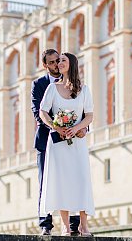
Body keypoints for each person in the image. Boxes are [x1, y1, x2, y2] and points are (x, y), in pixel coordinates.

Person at [31, 49, 86, 236]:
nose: (56, 65)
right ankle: (45, 225)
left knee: (73, 179)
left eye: (58, 61)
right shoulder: (39, 84)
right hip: (47, 139)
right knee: (45, 181)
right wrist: (58, 126)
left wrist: (81, 128)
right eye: (52, 62)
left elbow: (83, 111)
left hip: (73, 138)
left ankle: (73, 225)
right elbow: (38, 112)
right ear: (45, 65)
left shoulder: (76, 85)